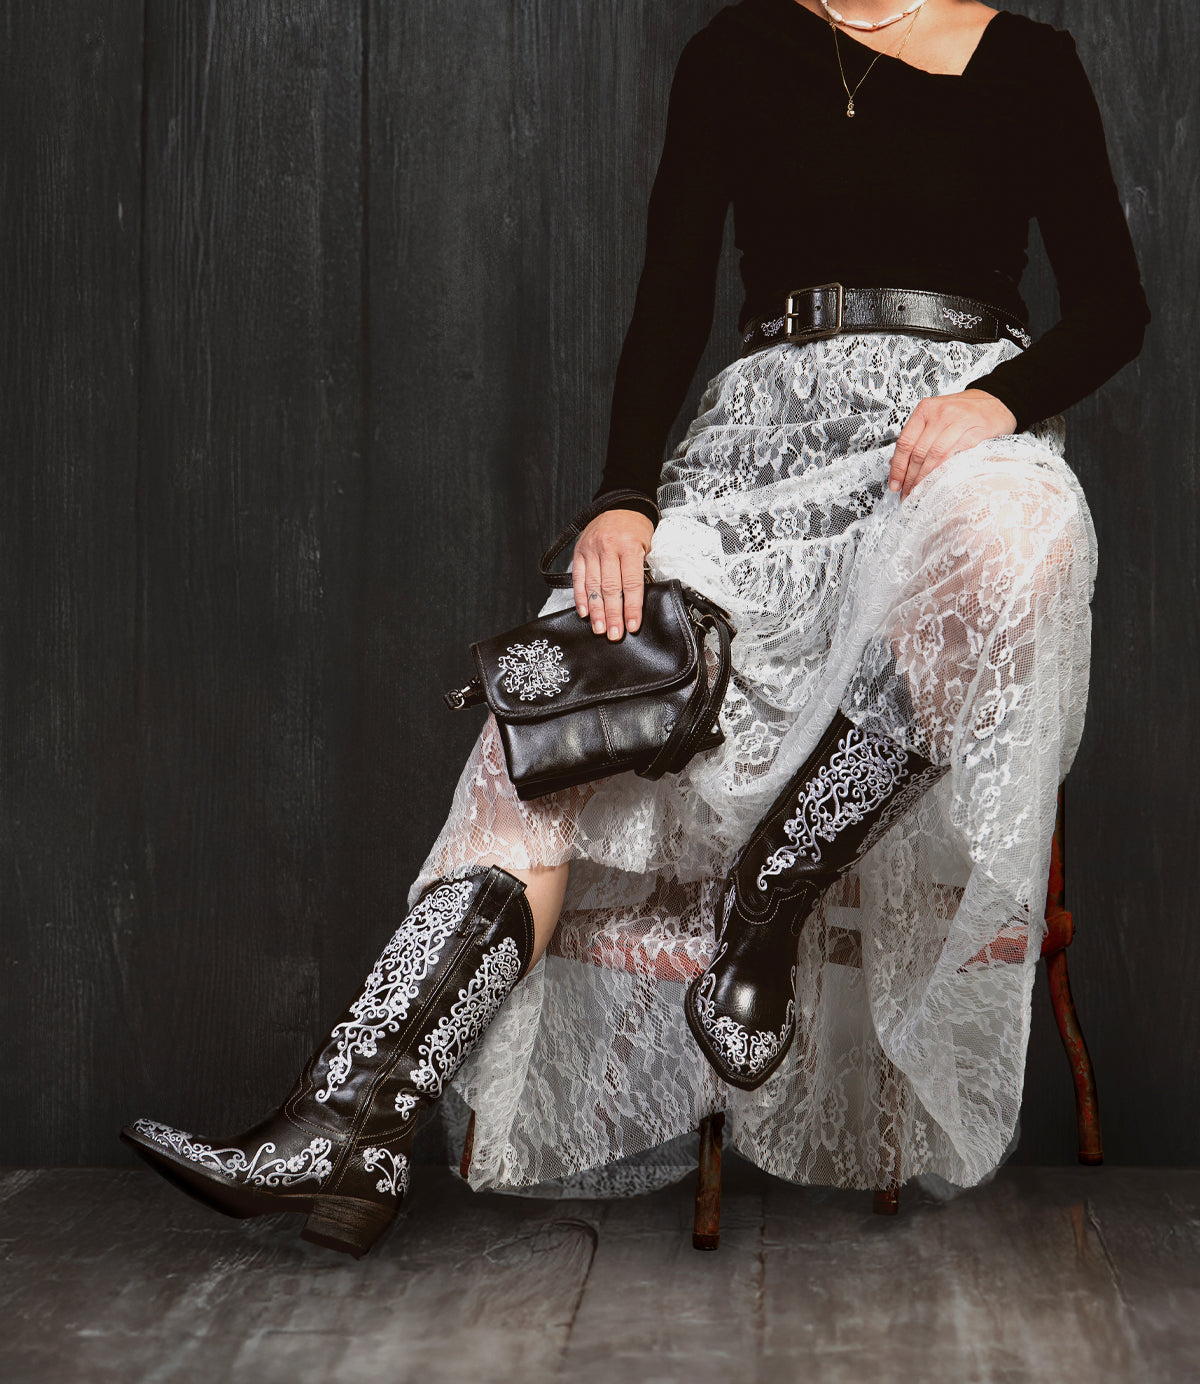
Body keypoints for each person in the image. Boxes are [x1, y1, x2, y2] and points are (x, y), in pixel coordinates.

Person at [122, 0, 1149, 1256]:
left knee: (1021, 536)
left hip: (946, 440)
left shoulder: (1030, 61)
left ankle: (764, 909)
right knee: (567, 697)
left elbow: (1113, 306)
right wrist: (623, 498)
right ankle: (349, 1122)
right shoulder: (735, 50)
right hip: (760, 451)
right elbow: (671, 285)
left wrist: (997, 400)